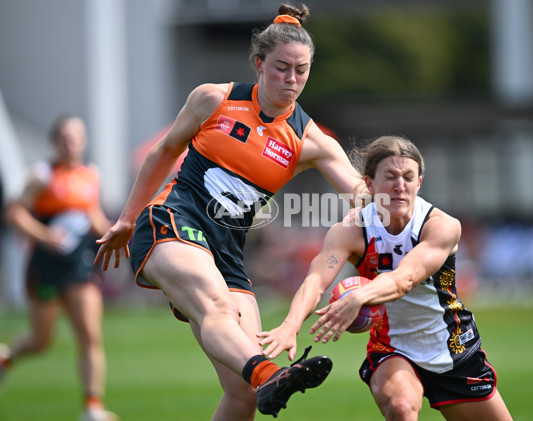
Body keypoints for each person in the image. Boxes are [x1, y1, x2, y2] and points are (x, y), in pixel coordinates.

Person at [94, 4, 364, 420]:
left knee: (241, 395)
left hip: (227, 251)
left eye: (301, 70)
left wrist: (408, 204)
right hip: (173, 219)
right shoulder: (213, 99)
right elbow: (164, 151)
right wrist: (127, 219)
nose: (291, 80)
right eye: (281, 68)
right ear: (259, 64)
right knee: (219, 312)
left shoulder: (311, 141)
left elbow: (361, 196)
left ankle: (263, 377)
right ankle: (271, 373)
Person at [258, 136, 513, 421]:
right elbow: (317, 279)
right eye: (390, 177)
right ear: (370, 184)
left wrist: (358, 297)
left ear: (419, 183)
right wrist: (290, 325)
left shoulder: (441, 226)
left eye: (408, 177)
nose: (399, 186)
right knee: (401, 408)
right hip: (392, 349)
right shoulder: (352, 230)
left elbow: (405, 278)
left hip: (454, 348)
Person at [1, 115, 119, 421]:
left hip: (78, 263)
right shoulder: (42, 175)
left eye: (77, 136)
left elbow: (90, 212)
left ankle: (92, 407)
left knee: (90, 334)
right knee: (42, 341)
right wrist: (44, 236)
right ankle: (6, 357)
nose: (72, 143)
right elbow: (14, 213)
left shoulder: (91, 174)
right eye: (66, 137)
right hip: (45, 264)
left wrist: (112, 234)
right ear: (55, 142)